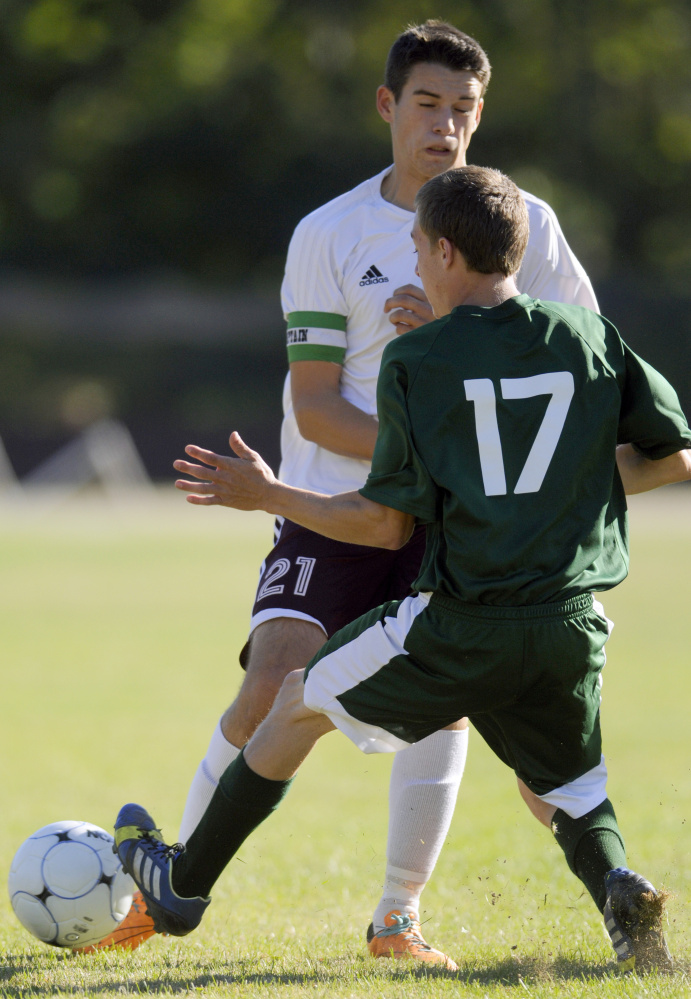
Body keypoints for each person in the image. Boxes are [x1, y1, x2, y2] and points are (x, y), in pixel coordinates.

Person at [101, 20, 597, 962]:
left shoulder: (521, 224)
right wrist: (429, 451)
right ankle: (166, 884)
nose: (444, 126)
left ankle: (395, 918)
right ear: (387, 107)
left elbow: (575, 356)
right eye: (426, 104)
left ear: (480, 115)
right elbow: (320, 407)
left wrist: (465, 325)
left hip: (454, 518)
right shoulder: (328, 233)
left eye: (462, 109)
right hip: (336, 505)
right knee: (273, 677)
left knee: (444, 703)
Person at [114, 166, 691, 975]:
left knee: (294, 700)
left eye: (420, 247)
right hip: (569, 623)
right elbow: (670, 459)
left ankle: (181, 885)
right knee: (573, 791)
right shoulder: (587, 336)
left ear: (447, 252)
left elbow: (384, 524)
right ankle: (620, 896)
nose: (416, 261)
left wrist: (266, 493)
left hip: (463, 620)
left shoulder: (417, 359)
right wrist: (571, 478)